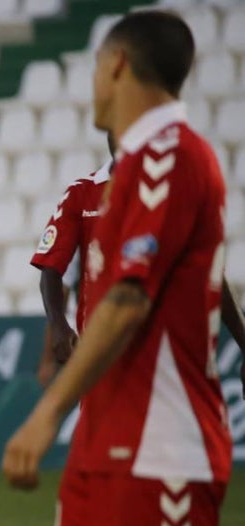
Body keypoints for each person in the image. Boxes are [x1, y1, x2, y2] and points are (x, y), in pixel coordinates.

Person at [4, 11, 245, 526]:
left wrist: (45, 414)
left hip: (160, 443)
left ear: (115, 66)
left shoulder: (174, 158)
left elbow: (129, 301)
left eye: (94, 68)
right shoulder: (129, 169)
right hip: (105, 444)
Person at [31, 135, 245, 388]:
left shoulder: (175, 194)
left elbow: (210, 275)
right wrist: (57, 323)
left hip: (166, 357)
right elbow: (51, 269)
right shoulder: (82, 193)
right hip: (103, 357)